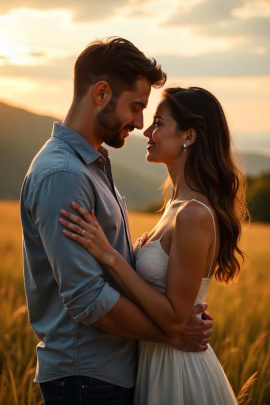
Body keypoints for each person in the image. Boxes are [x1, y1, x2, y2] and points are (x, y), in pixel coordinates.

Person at [20, 38, 213, 405]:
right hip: (86, 379)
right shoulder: (64, 175)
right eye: (136, 107)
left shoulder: (91, 165)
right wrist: (172, 333)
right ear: (102, 93)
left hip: (106, 374)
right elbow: (87, 298)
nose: (141, 123)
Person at [59, 86, 249, 404]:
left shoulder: (192, 214)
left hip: (178, 368)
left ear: (189, 137)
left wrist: (110, 256)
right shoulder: (175, 203)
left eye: (159, 123)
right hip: (154, 360)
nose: (146, 130)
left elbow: (175, 318)